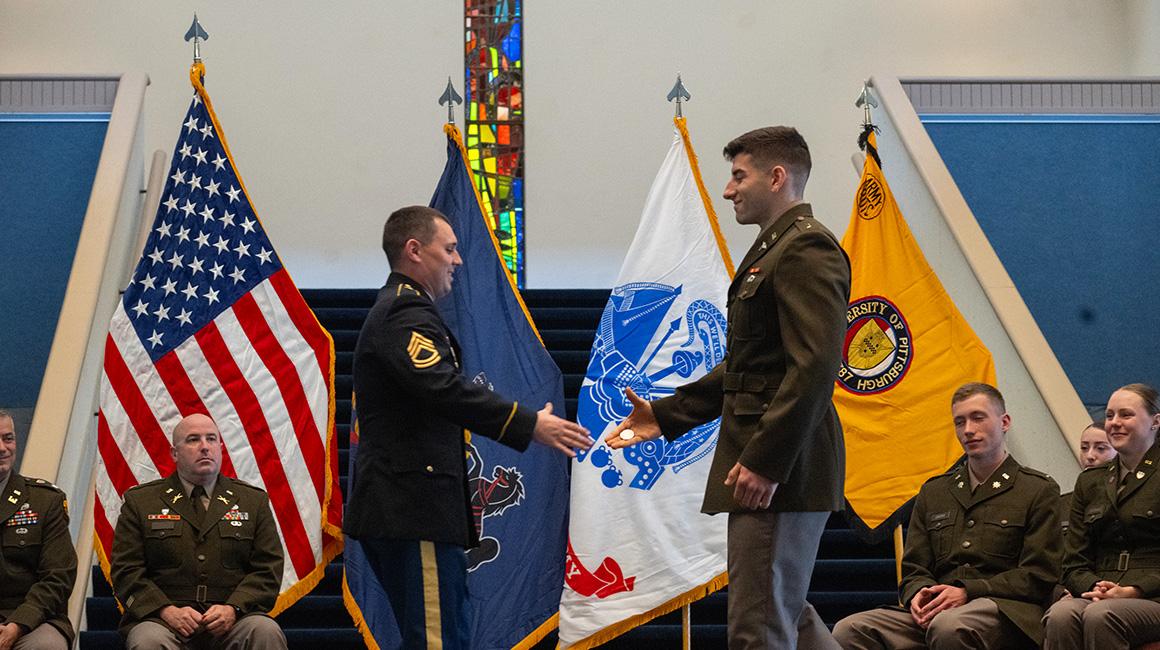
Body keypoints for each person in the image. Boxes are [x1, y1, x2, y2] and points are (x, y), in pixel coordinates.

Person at [605, 127, 851, 648]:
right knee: (785, 616)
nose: (729, 189)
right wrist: (666, 415)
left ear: (778, 177)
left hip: (781, 469)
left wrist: (766, 461)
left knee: (758, 629)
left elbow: (814, 367)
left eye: (740, 175)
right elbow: (746, 366)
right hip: (774, 462)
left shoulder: (805, 248)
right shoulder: (777, 249)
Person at [345, 205, 592, 649]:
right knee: (438, 643)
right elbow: (442, 387)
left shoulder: (407, 310)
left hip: (413, 508)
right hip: (413, 510)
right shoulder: (404, 314)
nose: (459, 260)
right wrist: (529, 423)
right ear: (414, 250)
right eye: (451, 248)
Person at [831, 383, 1061, 649]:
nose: (968, 430)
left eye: (978, 417)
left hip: (1006, 612)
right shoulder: (936, 491)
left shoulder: (1036, 489)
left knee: (951, 627)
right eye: (959, 422)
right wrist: (917, 593)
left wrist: (968, 592)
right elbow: (915, 569)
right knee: (850, 630)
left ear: (1004, 422)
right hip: (940, 611)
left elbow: (1039, 575)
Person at [110, 413, 286, 650]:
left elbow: (268, 569)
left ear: (220, 448)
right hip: (163, 620)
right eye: (193, 440)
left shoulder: (252, 501)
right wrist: (166, 610)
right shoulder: (141, 502)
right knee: (148, 641)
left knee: (265, 631)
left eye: (211, 439)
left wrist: (233, 608)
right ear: (175, 453)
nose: (204, 447)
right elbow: (126, 570)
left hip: (233, 619)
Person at [1043, 383, 1160, 649]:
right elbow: (1073, 562)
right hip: (1103, 593)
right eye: (1109, 416)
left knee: (1100, 616)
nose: (1115, 423)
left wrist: (1134, 590)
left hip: (1153, 596)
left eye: (1125, 415)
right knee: (1061, 615)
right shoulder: (1091, 482)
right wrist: (1095, 586)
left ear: (1155, 421)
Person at [0, 409, 76, 650]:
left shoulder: (45, 501)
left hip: (34, 618)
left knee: (47, 646)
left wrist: (18, 624)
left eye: (8, 438)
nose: (3, 448)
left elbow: (58, 577)